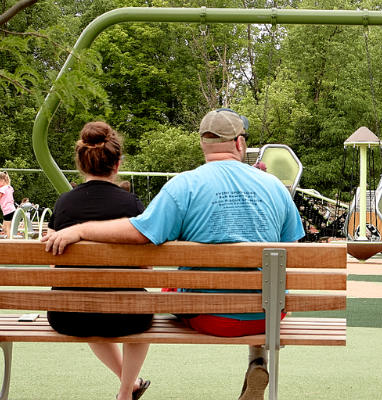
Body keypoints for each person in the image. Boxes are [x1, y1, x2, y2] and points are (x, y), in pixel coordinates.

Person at [42, 108, 304, 400]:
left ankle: (129, 386)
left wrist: (81, 230)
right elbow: (292, 248)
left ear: (203, 144)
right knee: (265, 287)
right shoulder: (274, 187)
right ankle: (258, 359)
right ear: (240, 144)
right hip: (266, 317)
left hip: (207, 316)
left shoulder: (184, 185)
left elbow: (141, 233)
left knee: (174, 287)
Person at [45, 121, 152, 400]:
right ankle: (126, 390)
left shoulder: (64, 204)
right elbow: (147, 268)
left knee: (86, 303)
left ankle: (129, 386)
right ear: (117, 164)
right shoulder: (131, 204)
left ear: (81, 164)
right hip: (128, 318)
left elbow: (53, 259)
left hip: (69, 315)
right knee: (142, 317)